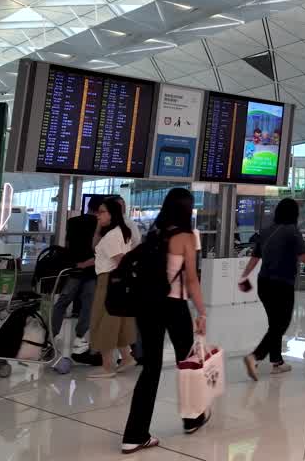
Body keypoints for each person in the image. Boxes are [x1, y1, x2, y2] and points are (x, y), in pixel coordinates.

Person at [121, 188, 208, 452]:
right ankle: (192, 418)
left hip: (147, 306)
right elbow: (191, 279)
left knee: (151, 369)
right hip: (174, 306)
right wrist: (202, 312)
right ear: (186, 209)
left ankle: (134, 435)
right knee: (188, 363)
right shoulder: (186, 237)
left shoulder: (154, 233)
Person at [239, 198, 305, 379]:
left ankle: (277, 362)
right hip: (282, 284)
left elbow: (255, 257)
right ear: (294, 214)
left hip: (263, 283)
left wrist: (244, 276)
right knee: (280, 324)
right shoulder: (292, 231)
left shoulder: (266, 231)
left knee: (274, 323)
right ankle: (255, 356)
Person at [89, 198, 138, 378]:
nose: (98, 215)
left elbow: (120, 262)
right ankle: (126, 357)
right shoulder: (121, 232)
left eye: (102, 212)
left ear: (112, 214)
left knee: (103, 321)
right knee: (118, 321)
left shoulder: (111, 236)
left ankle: (107, 365)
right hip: (118, 282)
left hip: (108, 281)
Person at [50, 195, 100, 346]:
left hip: (74, 268)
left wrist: (75, 263)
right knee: (88, 304)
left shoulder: (73, 222)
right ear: (100, 209)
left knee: (62, 302)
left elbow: (67, 245)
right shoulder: (100, 225)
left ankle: (52, 333)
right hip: (92, 269)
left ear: (89, 206)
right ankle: (79, 336)